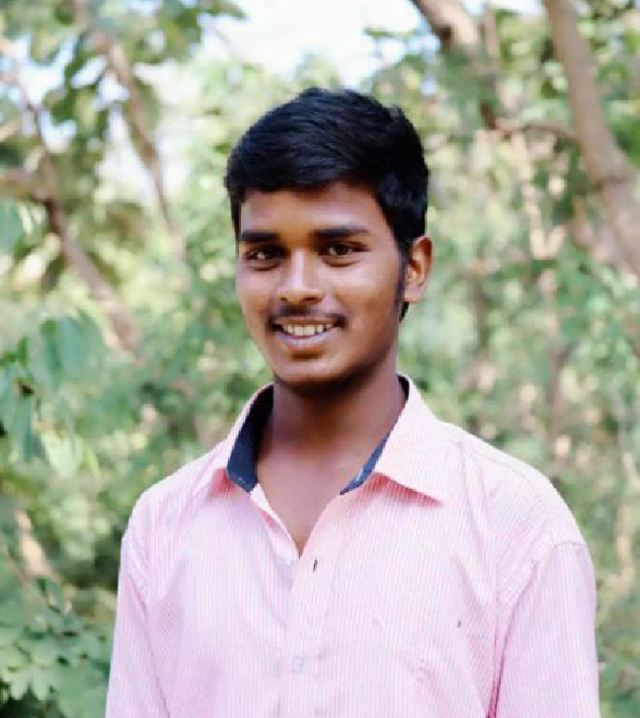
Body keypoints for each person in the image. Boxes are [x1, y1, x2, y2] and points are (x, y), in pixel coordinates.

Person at [105, 88, 601, 717]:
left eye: (338, 250)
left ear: (414, 268)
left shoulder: (515, 526)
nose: (297, 288)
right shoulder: (165, 526)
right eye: (265, 254)